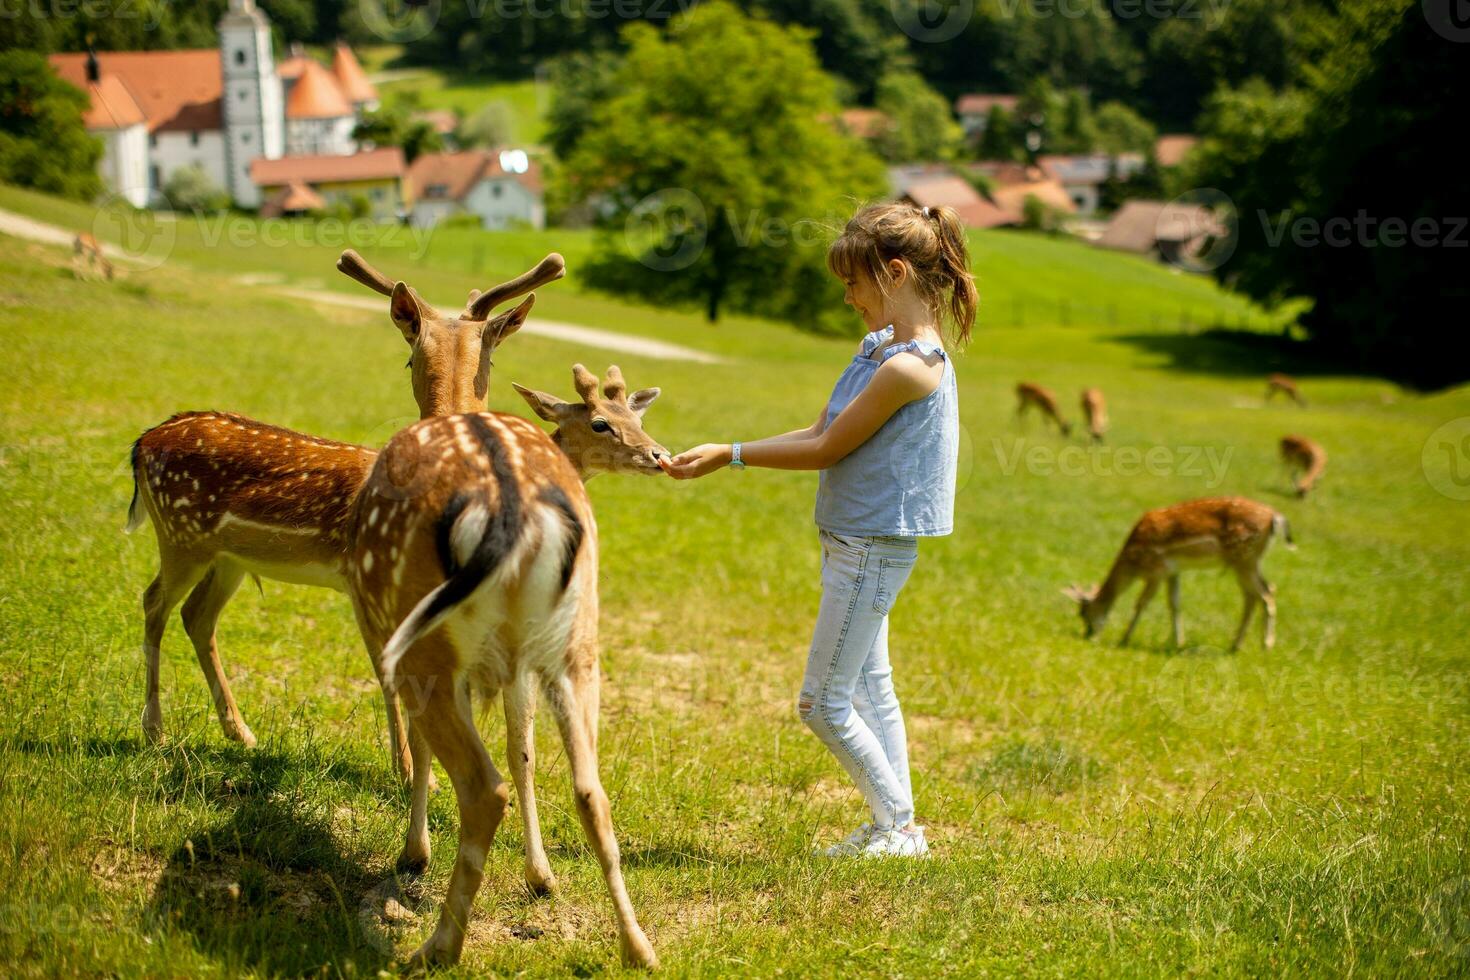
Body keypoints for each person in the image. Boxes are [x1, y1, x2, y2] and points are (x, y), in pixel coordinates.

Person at [661, 202, 976, 857]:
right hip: (854, 542)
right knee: (869, 687)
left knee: (822, 703)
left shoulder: (909, 368)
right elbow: (819, 430)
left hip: (871, 548)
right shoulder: (881, 350)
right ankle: (898, 828)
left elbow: (829, 449)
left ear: (893, 274)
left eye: (854, 283)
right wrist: (728, 448)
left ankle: (898, 829)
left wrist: (734, 454)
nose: (847, 297)